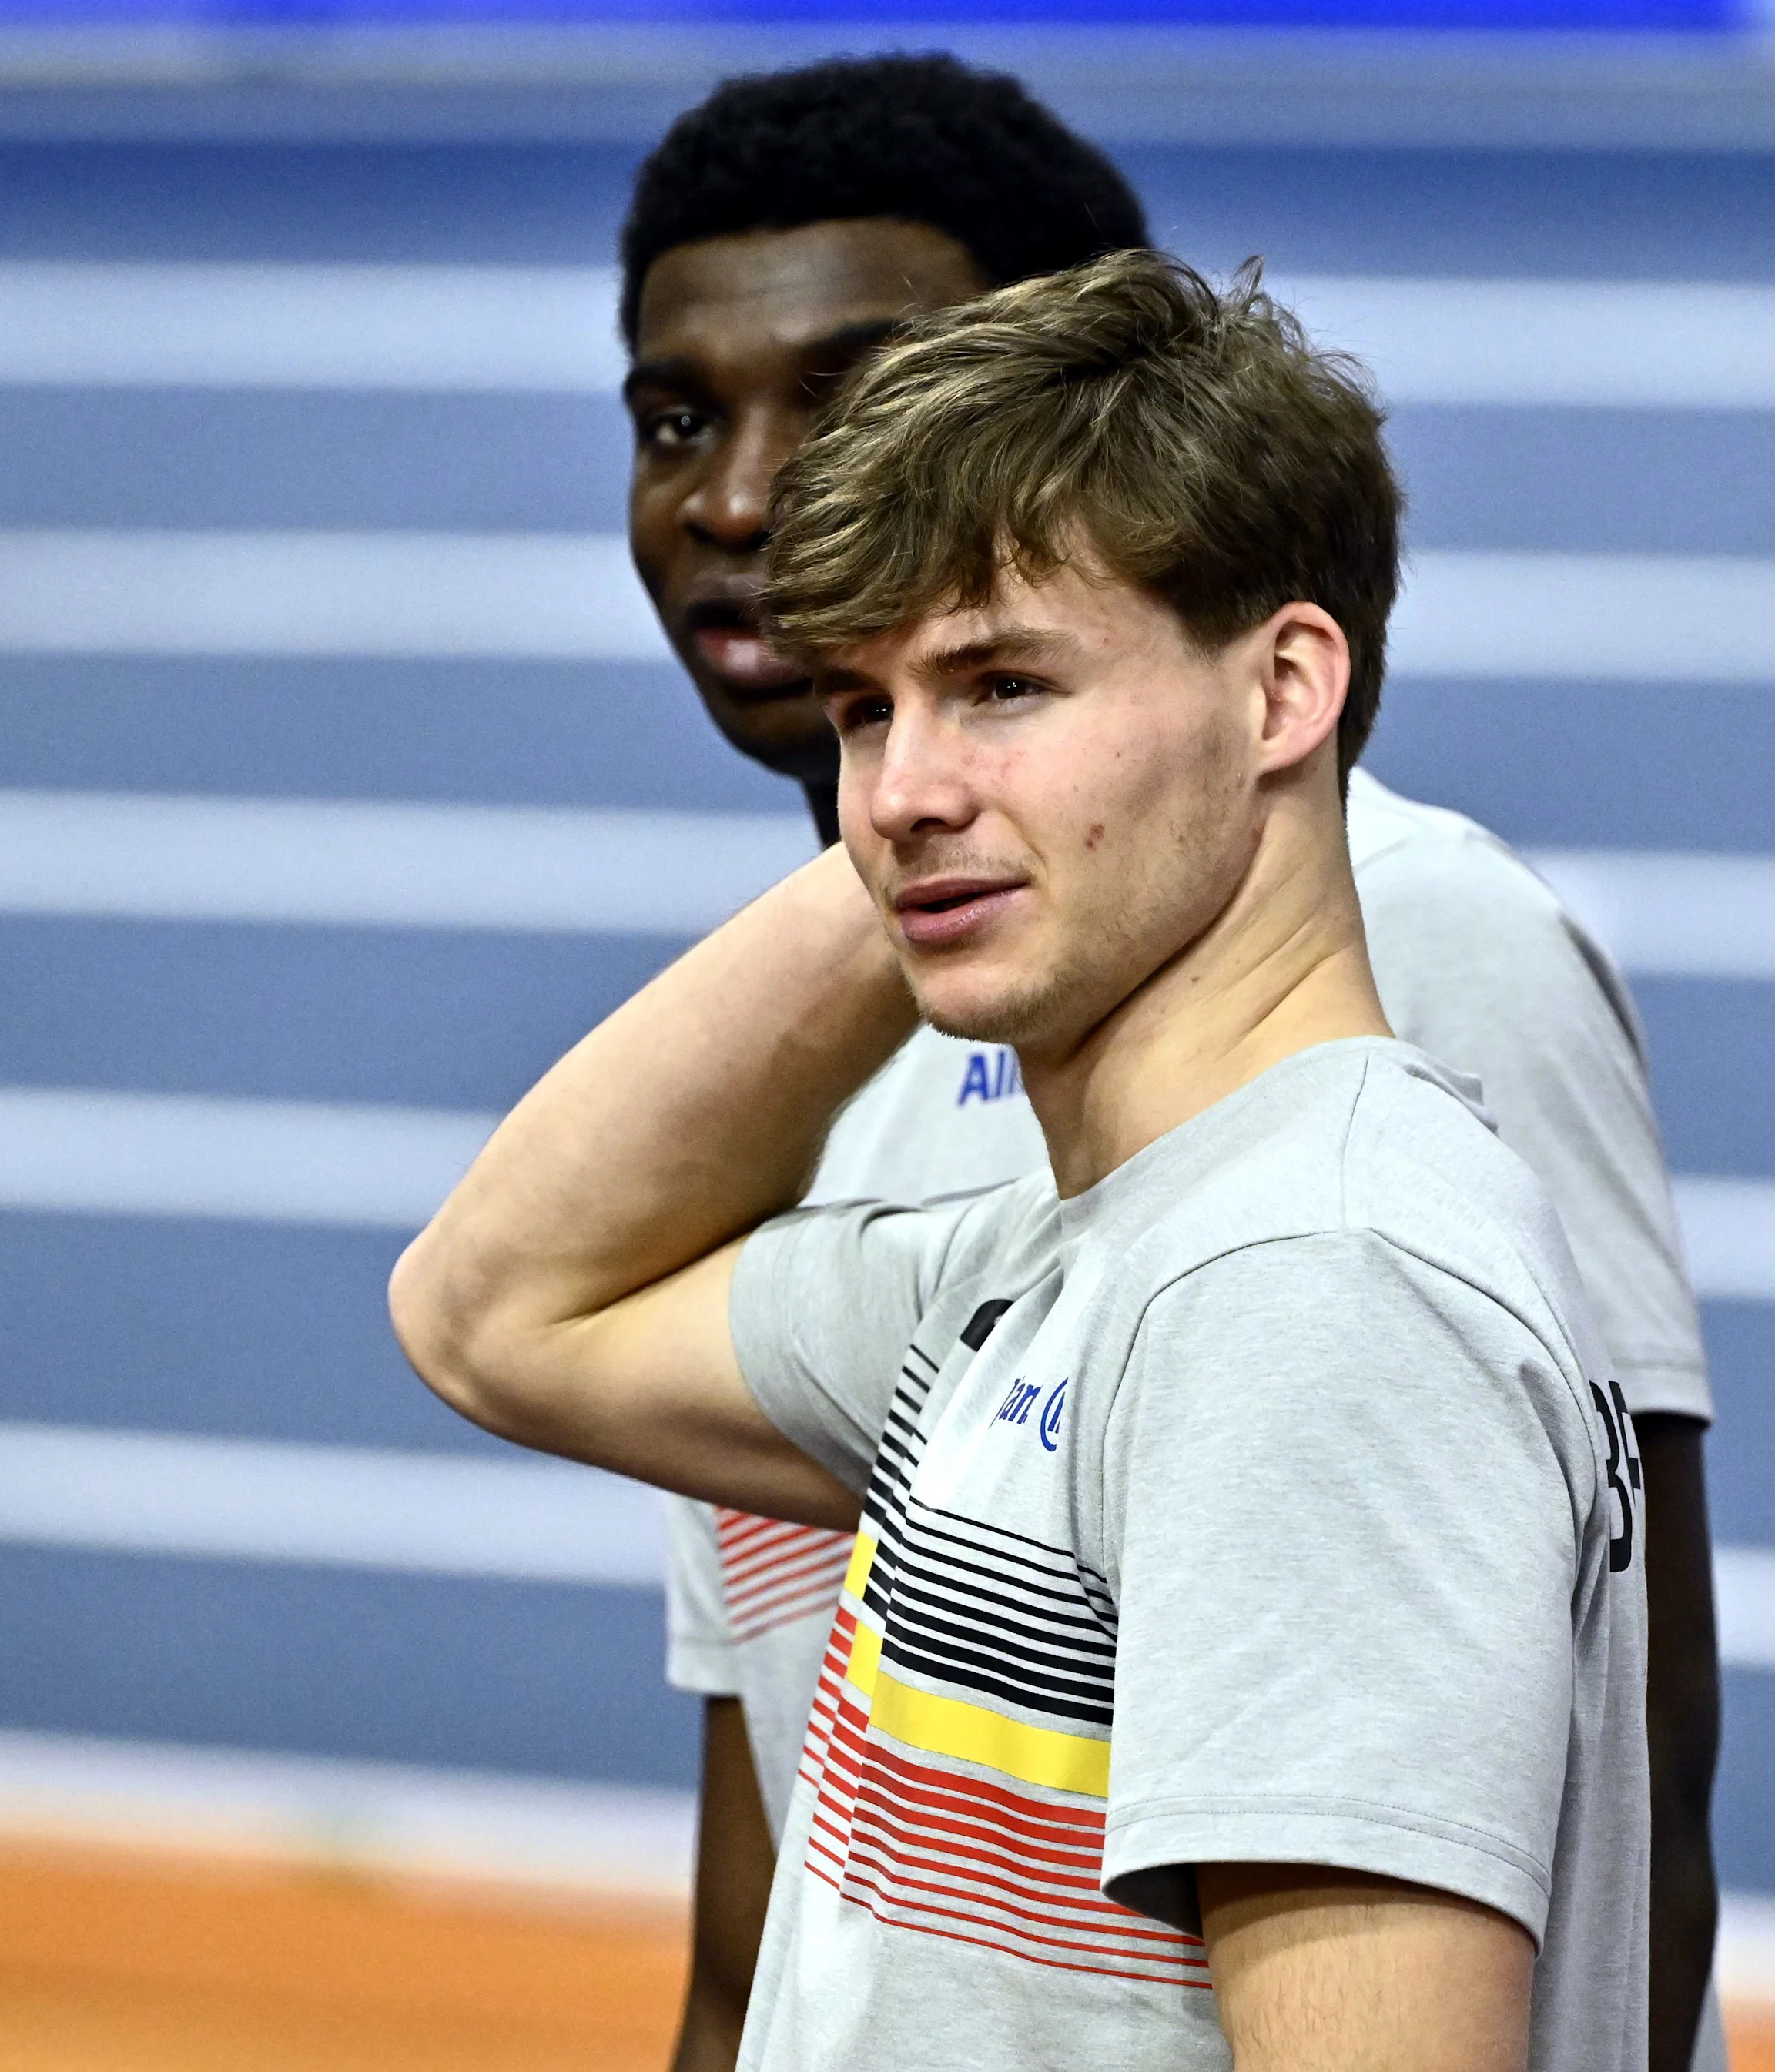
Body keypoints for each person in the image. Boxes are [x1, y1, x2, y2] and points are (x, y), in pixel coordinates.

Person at [396, 249, 1649, 2071]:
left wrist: (983, 844)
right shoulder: (1060, 1262)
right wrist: (964, 840)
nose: (896, 790)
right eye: (859, 709)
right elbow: (493, 1311)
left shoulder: (1310, 1293)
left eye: (1003, 682)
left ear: (1284, 689)